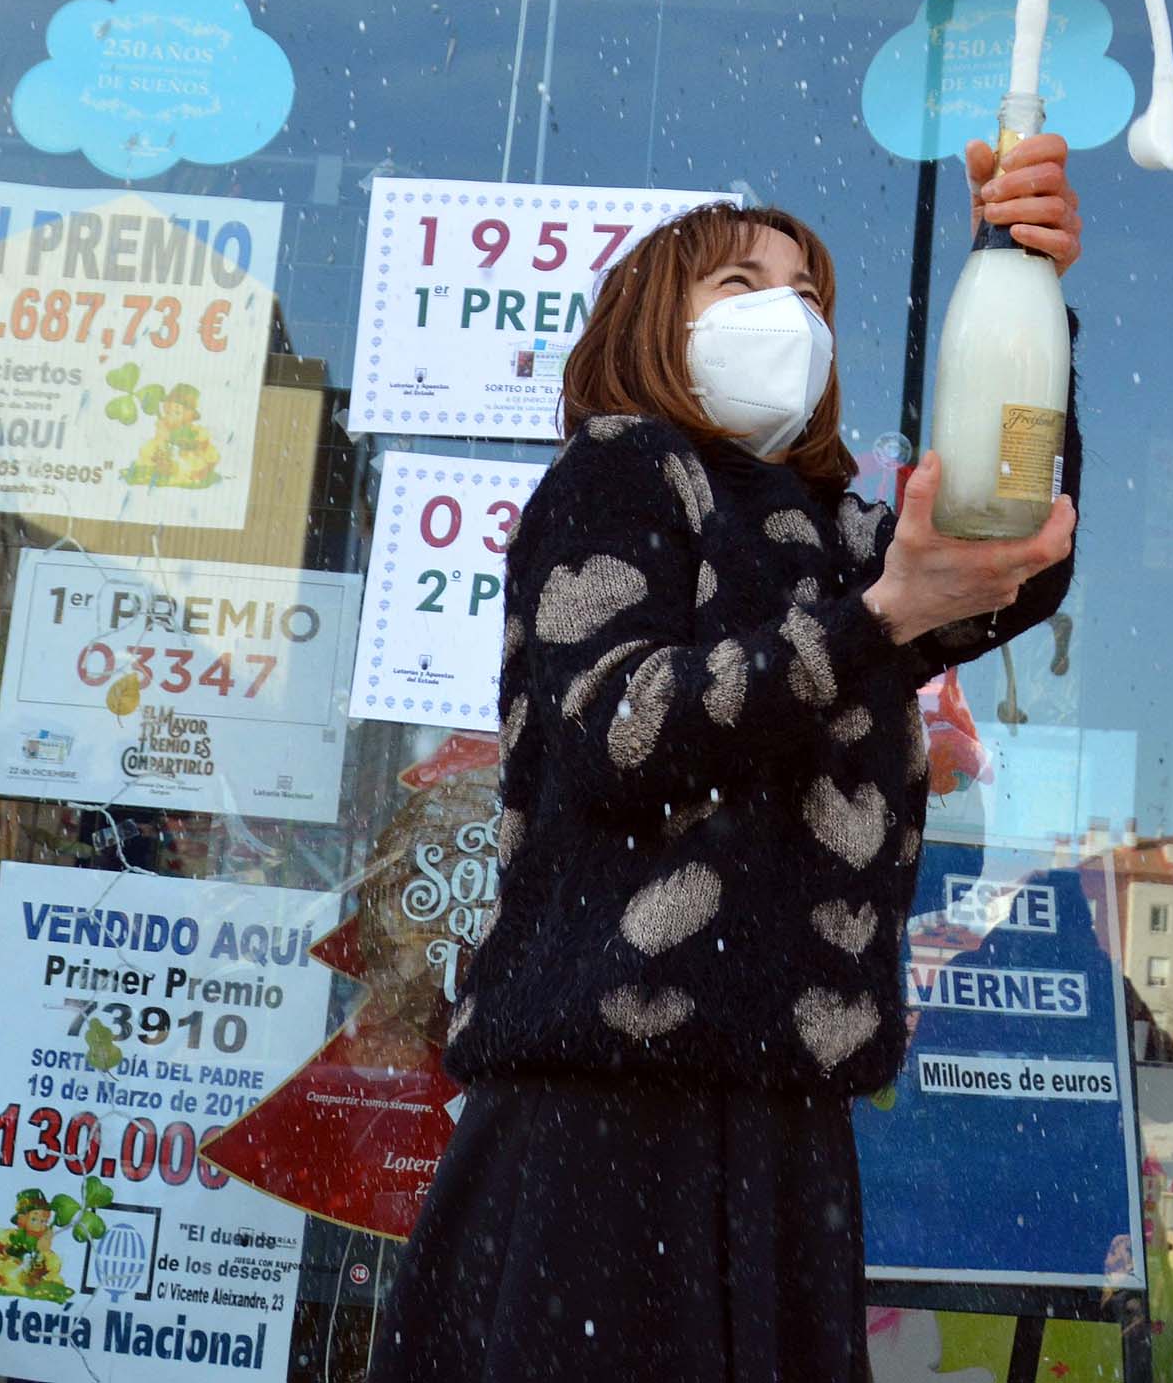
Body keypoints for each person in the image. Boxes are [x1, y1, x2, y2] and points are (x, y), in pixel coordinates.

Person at [384, 134, 1083, 1382]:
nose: (791, 316)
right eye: (742, 287)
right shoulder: (616, 477)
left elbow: (1008, 543)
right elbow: (623, 731)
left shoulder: (841, 527)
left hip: (783, 1122)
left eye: (810, 295)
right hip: (601, 1114)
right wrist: (875, 622)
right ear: (655, 324)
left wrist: (1023, 291)